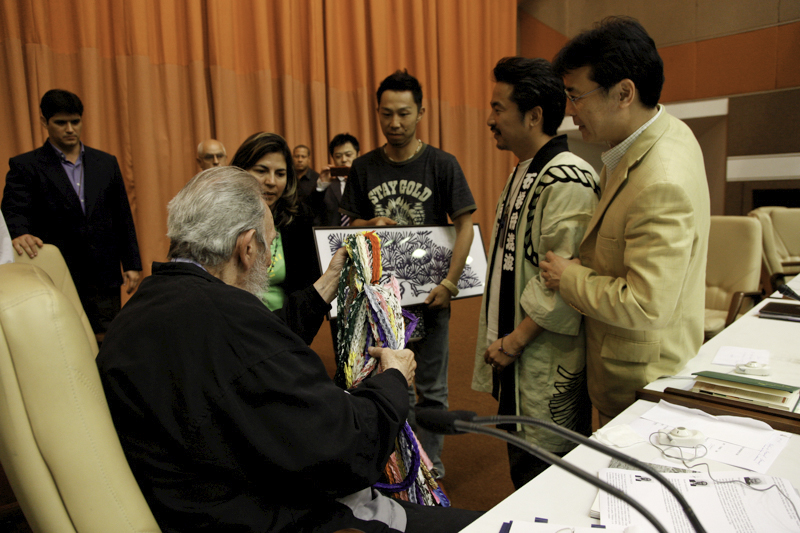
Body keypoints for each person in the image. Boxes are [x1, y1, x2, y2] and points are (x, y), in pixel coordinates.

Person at [96, 166, 482, 533]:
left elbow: (254, 356)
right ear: (247, 247)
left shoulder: (143, 310)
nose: (268, 260)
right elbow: (347, 450)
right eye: (269, 246)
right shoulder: (230, 323)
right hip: (281, 517)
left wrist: (326, 285)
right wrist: (393, 380)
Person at [540, 17, 711, 426]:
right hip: (638, 365)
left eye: (576, 96)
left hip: (645, 382)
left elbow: (646, 304)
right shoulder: (664, 134)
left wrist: (569, 277)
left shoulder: (660, 181)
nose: (571, 111)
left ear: (623, 93)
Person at [339, 70, 477, 478]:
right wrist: (369, 223)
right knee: (388, 382)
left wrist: (450, 283)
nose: (395, 123)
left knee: (432, 387)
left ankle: (430, 466)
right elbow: (347, 225)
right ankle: (398, 461)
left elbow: (465, 226)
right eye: (386, 114)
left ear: (420, 112)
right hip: (381, 302)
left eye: (403, 113)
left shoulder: (442, 164)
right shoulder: (363, 167)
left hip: (432, 297)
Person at [472, 57, 600, 489]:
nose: (490, 119)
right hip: (517, 356)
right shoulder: (524, 171)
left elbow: (565, 280)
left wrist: (514, 341)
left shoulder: (568, 178)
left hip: (540, 355)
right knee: (523, 466)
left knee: (549, 476)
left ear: (534, 115)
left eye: (498, 108)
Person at [1, 89, 142, 334]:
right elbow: (13, 211)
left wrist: (131, 263)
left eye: (75, 122)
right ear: (44, 121)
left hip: (104, 274)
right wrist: (19, 233)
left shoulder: (105, 163)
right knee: (64, 337)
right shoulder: (25, 166)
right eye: (60, 123)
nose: (70, 129)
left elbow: (122, 216)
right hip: (56, 274)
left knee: (108, 339)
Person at [231, 133, 320, 314]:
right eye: (261, 171)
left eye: (280, 174)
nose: (271, 182)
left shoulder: (299, 219)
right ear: (241, 171)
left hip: (282, 323)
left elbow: (307, 289)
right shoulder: (219, 219)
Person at [314, 133, 361, 227]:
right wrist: (322, 185)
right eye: (338, 156)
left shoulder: (365, 181)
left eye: (348, 155)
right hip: (332, 234)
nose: (343, 160)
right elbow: (313, 211)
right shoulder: (327, 184)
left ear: (358, 154)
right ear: (333, 158)